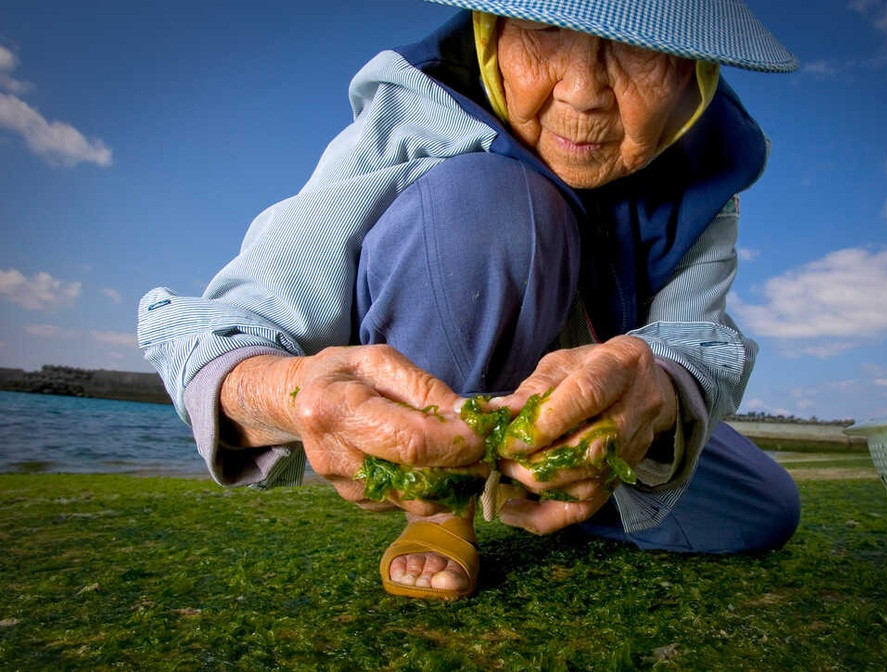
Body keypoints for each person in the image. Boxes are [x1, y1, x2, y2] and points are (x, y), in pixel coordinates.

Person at [138, 0, 802, 601]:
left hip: (580, 421)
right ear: (491, 30)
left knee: (764, 509)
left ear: (695, 75)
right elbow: (221, 331)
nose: (582, 93)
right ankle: (441, 505)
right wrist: (286, 390)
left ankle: (542, 480)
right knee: (492, 205)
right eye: (545, 30)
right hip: (438, 387)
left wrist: (655, 390)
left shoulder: (708, 168)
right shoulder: (414, 114)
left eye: (639, 50)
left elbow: (694, 336)